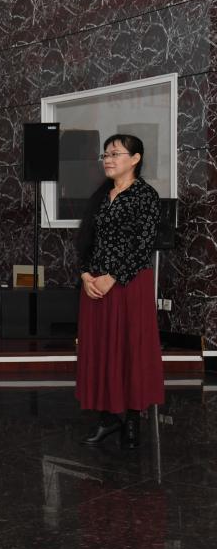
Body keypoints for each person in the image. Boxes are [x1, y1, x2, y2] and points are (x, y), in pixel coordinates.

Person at [75, 133, 163, 449]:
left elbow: (143, 246)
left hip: (129, 284)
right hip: (95, 285)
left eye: (115, 154)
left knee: (130, 348)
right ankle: (108, 418)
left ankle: (133, 420)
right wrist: (86, 275)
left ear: (135, 159)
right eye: (106, 154)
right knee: (100, 349)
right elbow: (85, 241)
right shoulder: (101, 196)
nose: (108, 159)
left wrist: (112, 277)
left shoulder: (146, 196)